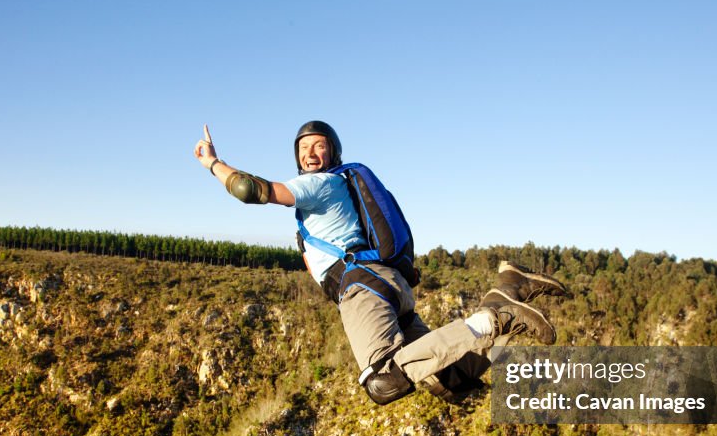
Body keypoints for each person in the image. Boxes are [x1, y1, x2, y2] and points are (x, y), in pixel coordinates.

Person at [193, 121, 569, 404]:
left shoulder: (318, 184)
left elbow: (249, 190)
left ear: (332, 154)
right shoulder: (328, 196)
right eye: (304, 147)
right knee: (449, 378)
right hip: (386, 285)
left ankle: (494, 317)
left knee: (383, 379)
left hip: (363, 284)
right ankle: (507, 288)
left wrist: (213, 163)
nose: (310, 153)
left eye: (319, 146)